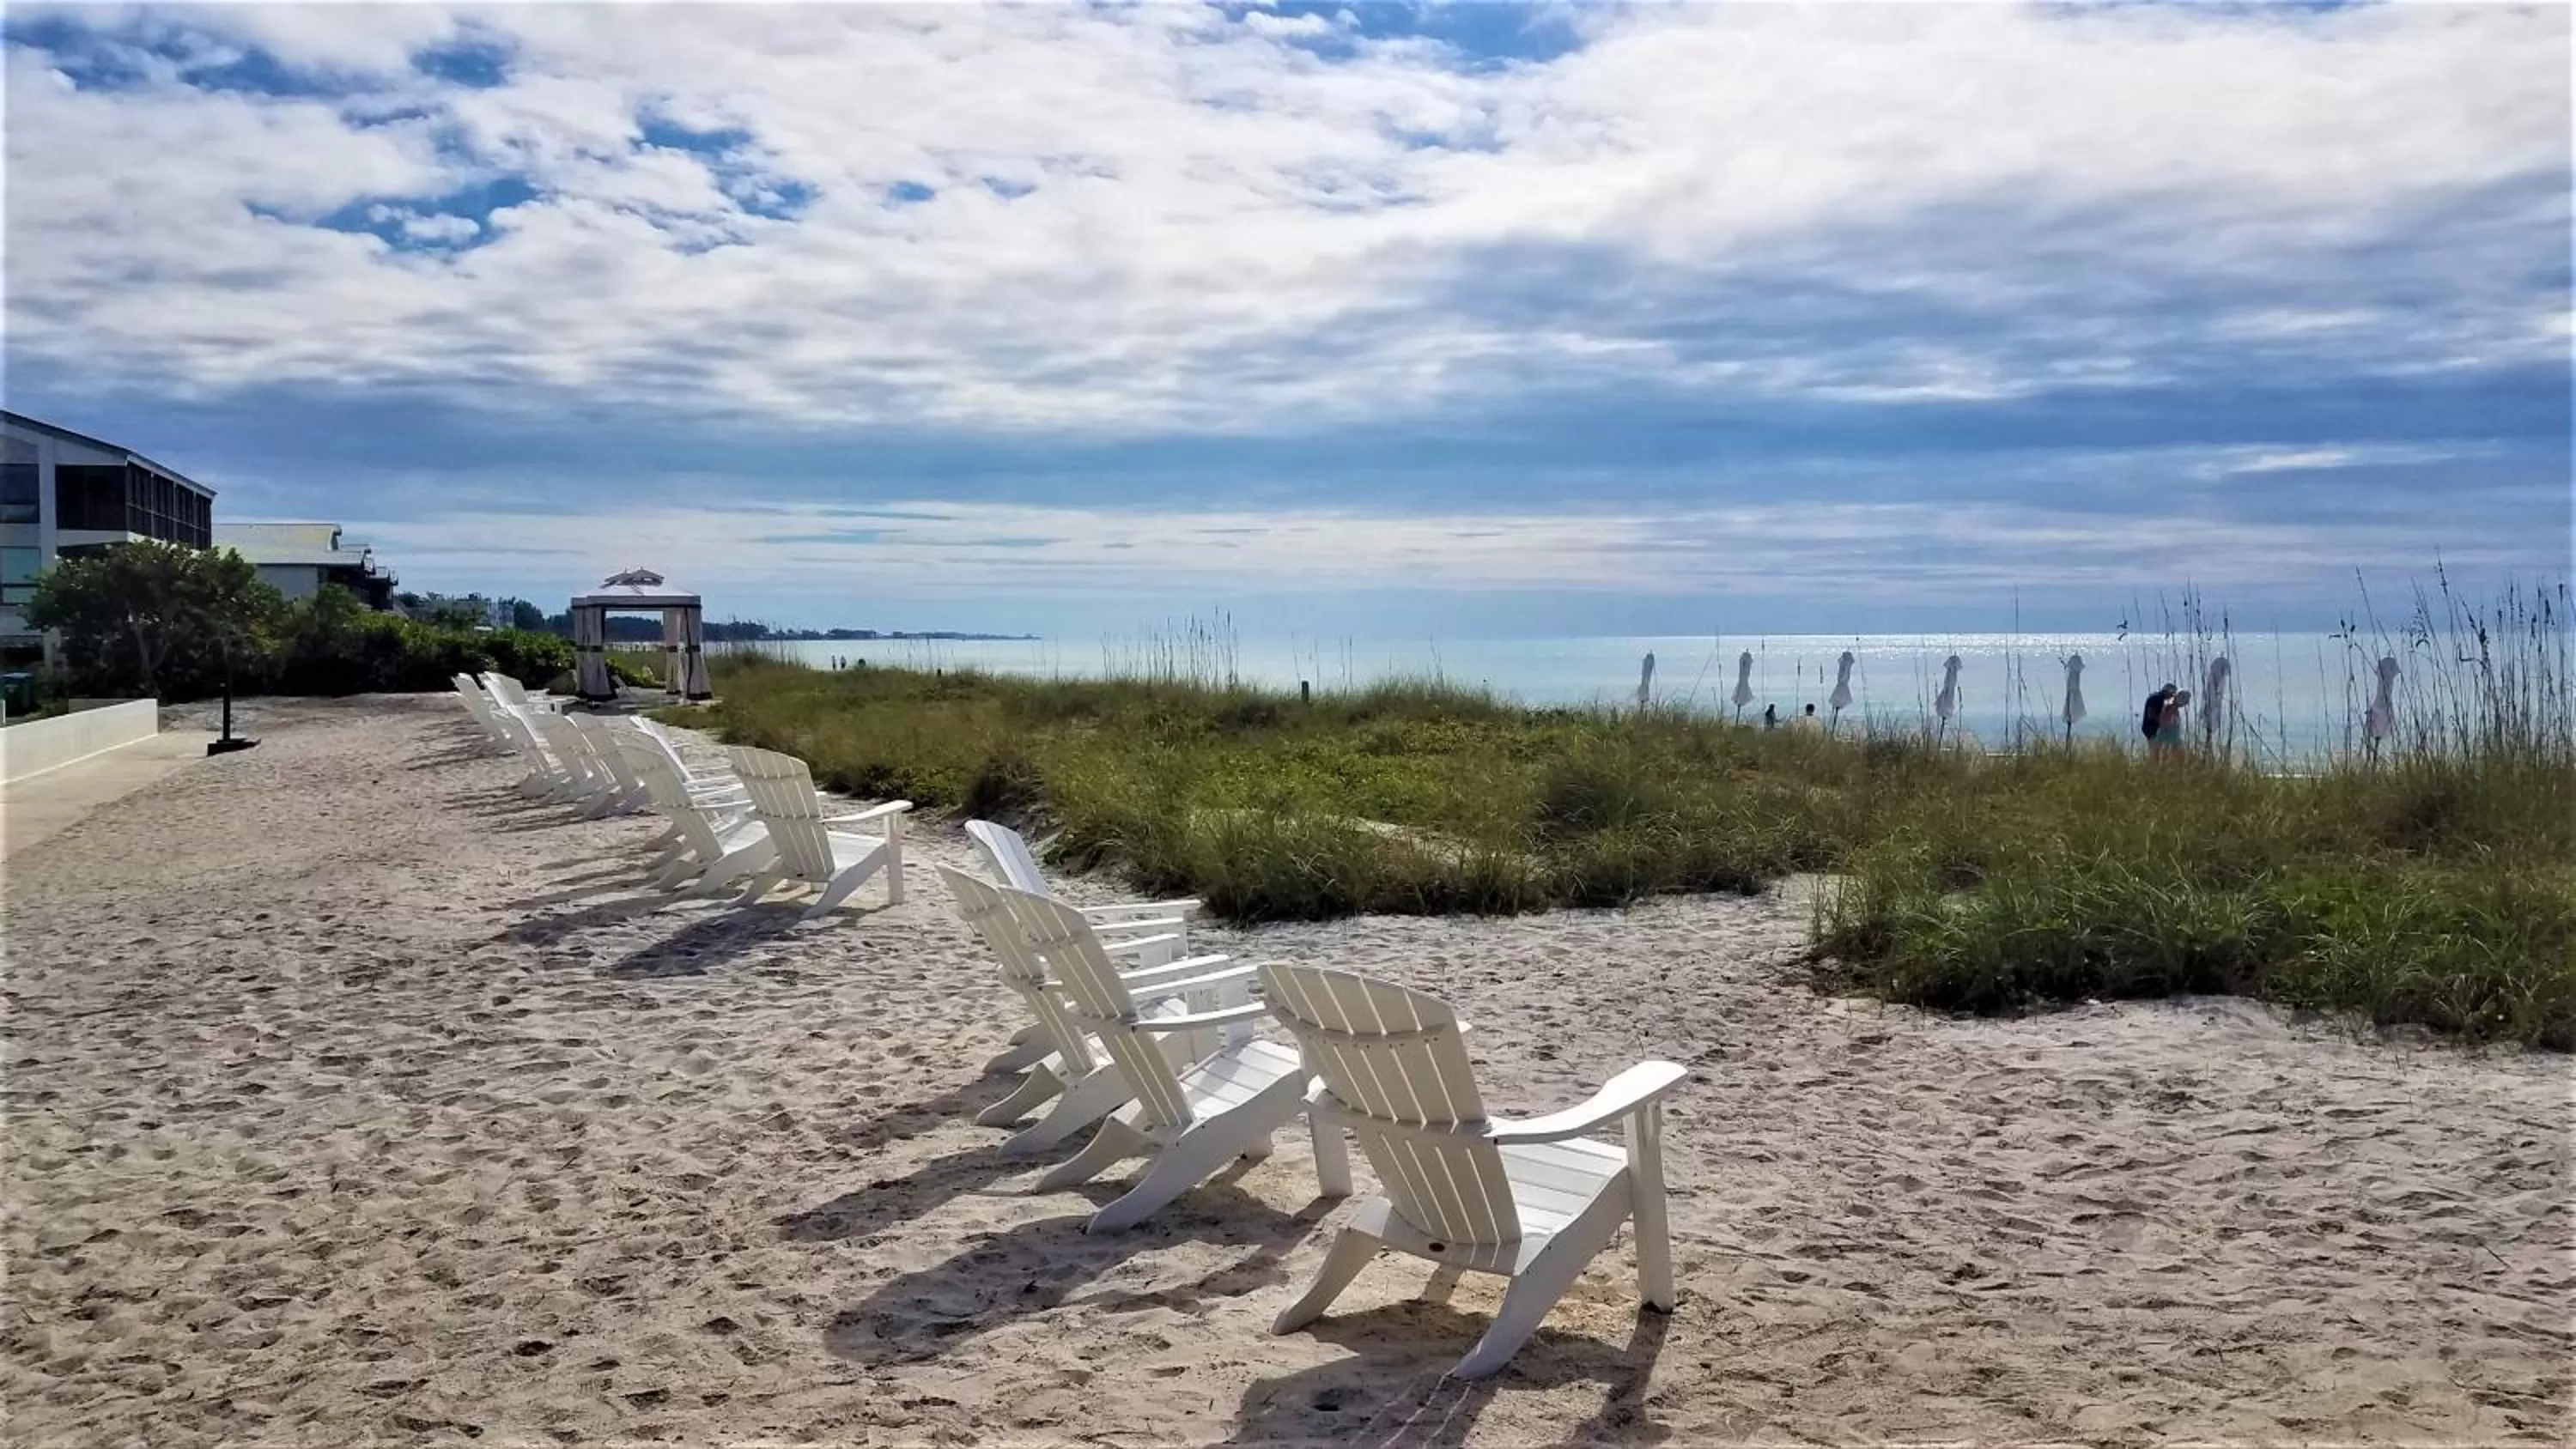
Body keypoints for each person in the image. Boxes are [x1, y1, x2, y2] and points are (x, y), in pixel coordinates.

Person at [2140, 682, 2175, 747]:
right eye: (2171, 695)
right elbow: (2151, 714)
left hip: (2151, 727)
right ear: (2167, 692)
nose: (2171, 697)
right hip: (2151, 727)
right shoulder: (2156, 698)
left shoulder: (2159, 698)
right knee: (2155, 748)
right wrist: (2162, 722)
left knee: (2156, 747)